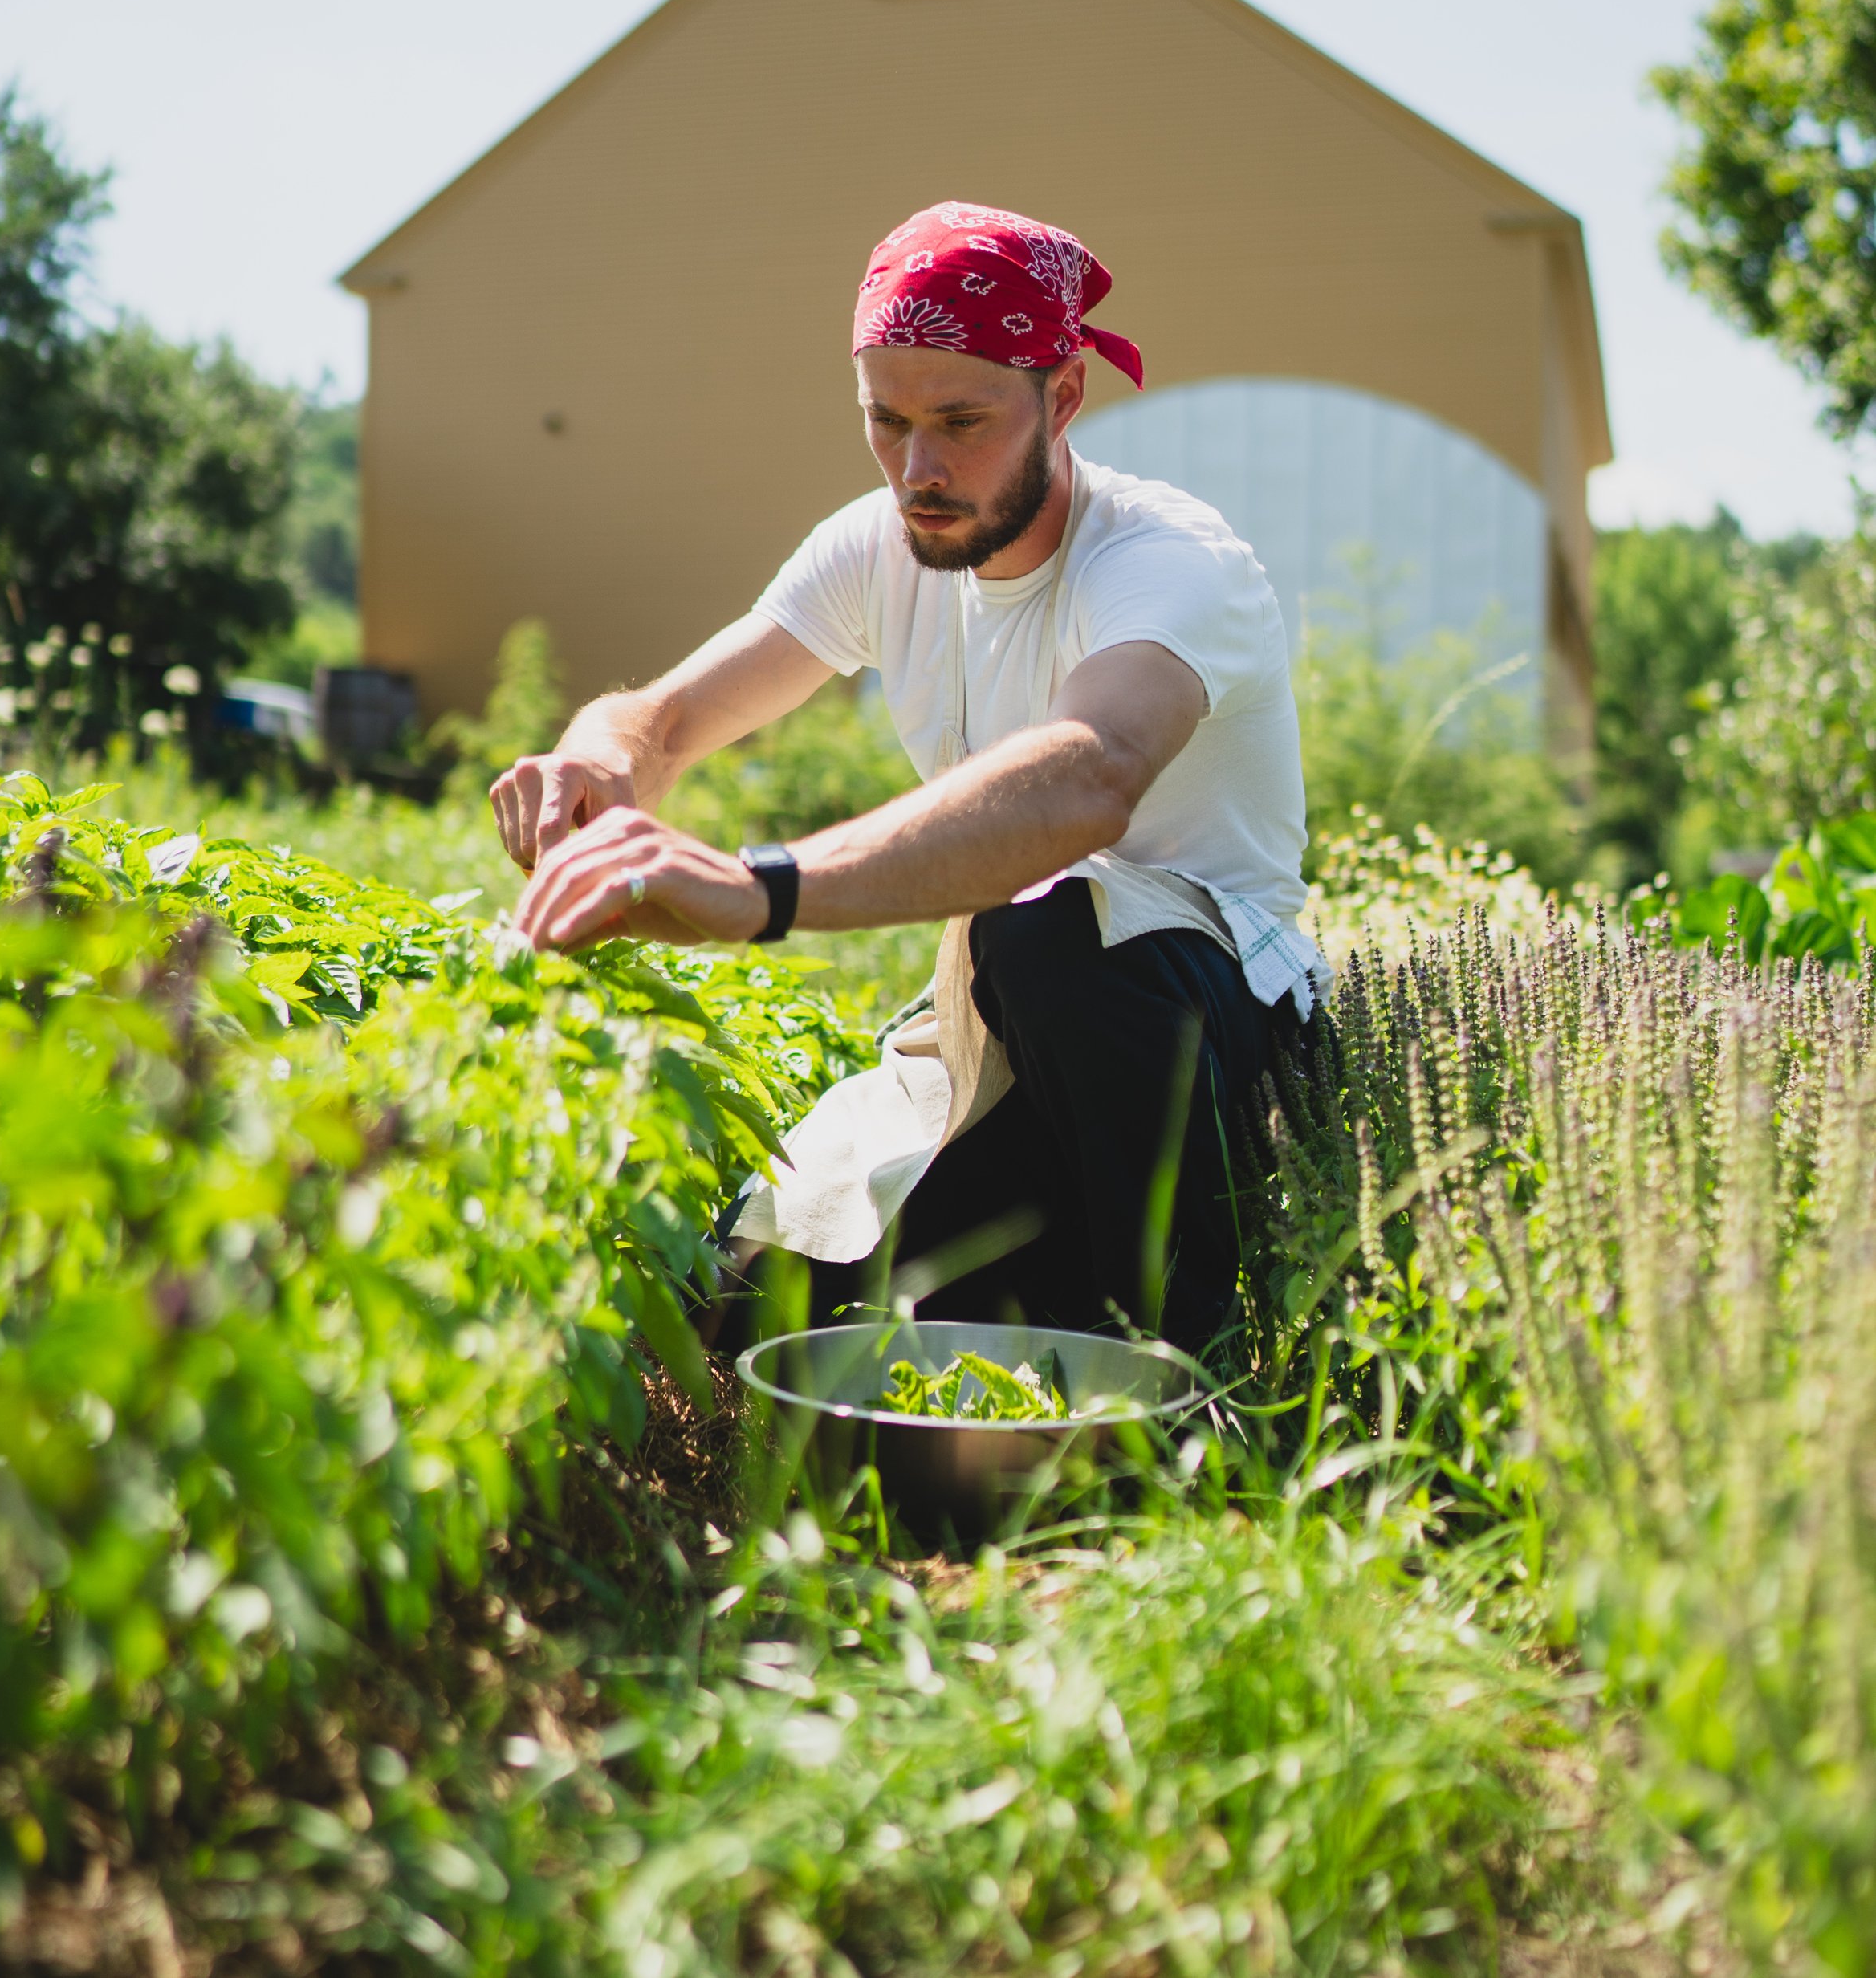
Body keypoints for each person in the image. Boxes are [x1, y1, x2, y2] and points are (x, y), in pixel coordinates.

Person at [491, 201, 1328, 1354]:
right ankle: (1046, 1316)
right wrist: (594, 758)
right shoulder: (882, 546)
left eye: (961, 421)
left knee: (1047, 923)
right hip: (1004, 1019)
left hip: (1207, 1027)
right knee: (760, 1311)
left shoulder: (1169, 561)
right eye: (885, 422)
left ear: (1065, 396)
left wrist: (764, 889)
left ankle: (1183, 1372)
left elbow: (1088, 780)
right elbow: (671, 715)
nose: (918, 469)